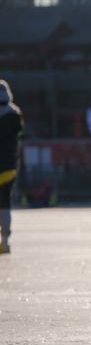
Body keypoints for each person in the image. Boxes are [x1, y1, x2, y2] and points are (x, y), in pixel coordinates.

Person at [0, 80, 23, 254]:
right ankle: (5, 240)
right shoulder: (14, 113)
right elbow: (20, 134)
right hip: (9, 166)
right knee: (5, 202)